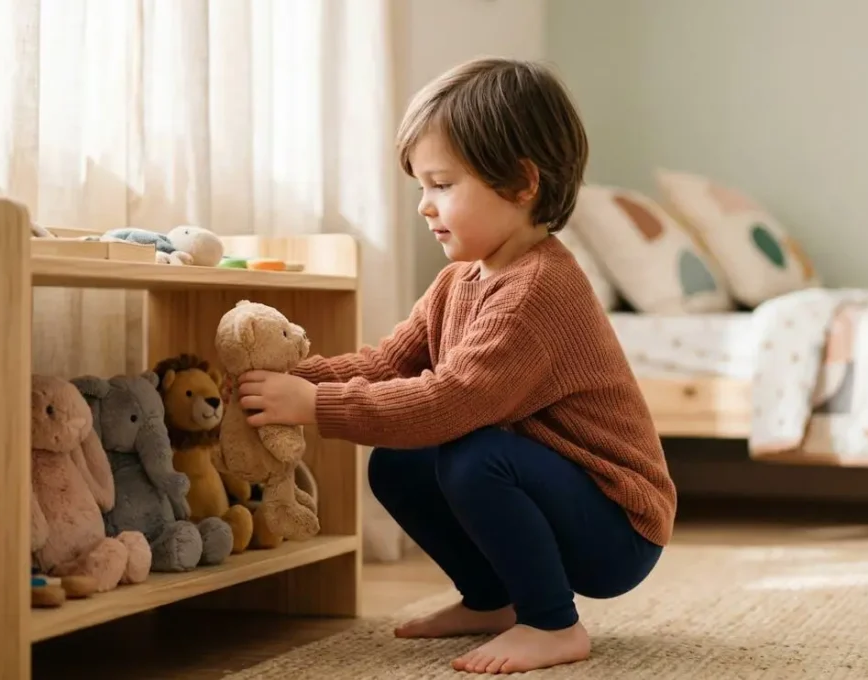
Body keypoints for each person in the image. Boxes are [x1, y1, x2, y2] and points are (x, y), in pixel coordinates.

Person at [234, 56, 677, 675]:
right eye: (421, 186)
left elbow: (450, 400)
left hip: (618, 528)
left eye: (441, 185)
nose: (424, 206)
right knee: (399, 465)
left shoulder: (536, 291)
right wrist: (292, 380)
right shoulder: (457, 283)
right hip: (556, 498)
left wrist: (315, 408)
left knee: (473, 456)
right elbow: (387, 364)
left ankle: (552, 625)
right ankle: (493, 599)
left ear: (522, 185)